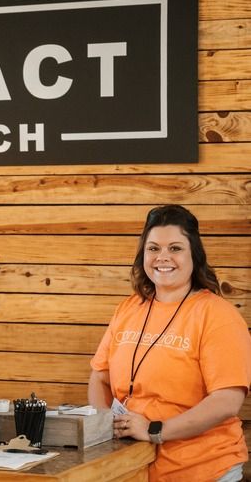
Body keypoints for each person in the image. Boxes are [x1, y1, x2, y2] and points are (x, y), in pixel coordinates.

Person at [89, 204, 251, 481]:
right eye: (153, 248)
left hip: (203, 470)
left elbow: (226, 401)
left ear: (194, 255)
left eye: (175, 248)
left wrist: (154, 430)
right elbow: (99, 377)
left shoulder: (218, 315)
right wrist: (105, 426)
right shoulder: (128, 309)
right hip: (135, 468)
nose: (162, 257)